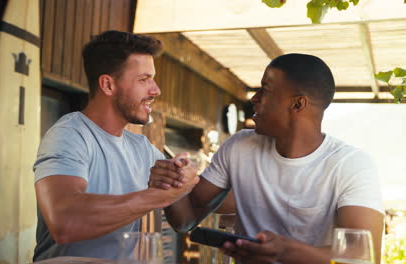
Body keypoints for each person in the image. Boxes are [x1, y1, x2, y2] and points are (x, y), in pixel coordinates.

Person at [149, 53, 384, 264]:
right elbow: (185, 221)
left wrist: (284, 251)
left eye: (265, 89)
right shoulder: (239, 146)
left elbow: (363, 255)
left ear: (297, 103)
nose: (254, 98)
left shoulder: (351, 165)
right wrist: (170, 182)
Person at [32, 30, 198, 261]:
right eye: (143, 79)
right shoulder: (69, 135)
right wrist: (160, 196)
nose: (155, 90)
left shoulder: (143, 148)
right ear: (108, 85)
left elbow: (184, 221)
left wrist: (183, 177)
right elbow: (65, 222)